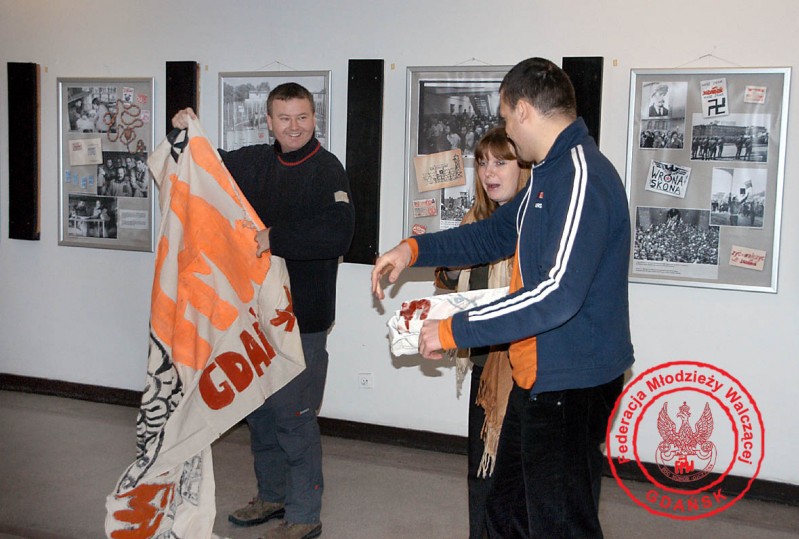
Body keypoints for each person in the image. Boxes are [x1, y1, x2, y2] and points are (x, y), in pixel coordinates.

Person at [371, 57, 634, 538]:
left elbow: (555, 295)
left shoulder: (580, 177)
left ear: (525, 110)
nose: (507, 131)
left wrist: (455, 329)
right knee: (504, 510)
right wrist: (414, 249)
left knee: (560, 524)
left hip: (570, 383)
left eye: (507, 118)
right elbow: (493, 235)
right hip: (537, 376)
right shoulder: (549, 173)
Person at [173, 82, 354, 539]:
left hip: (302, 322)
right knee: (260, 417)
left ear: (314, 119)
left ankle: (304, 515)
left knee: (294, 418)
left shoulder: (328, 170)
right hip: (252, 320)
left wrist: (277, 237)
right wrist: (185, 131)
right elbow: (206, 165)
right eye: (284, 118)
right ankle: (272, 496)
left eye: (302, 117)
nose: (294, 127)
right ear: (268, 121)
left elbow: (339, 234)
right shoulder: (255, 162)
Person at [435, 127, 530, 539]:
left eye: (501, 162)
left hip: (525, 368)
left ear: (523, 167)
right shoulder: (475, 218)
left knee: (518, 481)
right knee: (481, 473)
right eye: (483, 163)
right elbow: (448, 282)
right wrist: (451, 267)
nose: (489, 172)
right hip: (484, 365)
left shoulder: (534, 222)